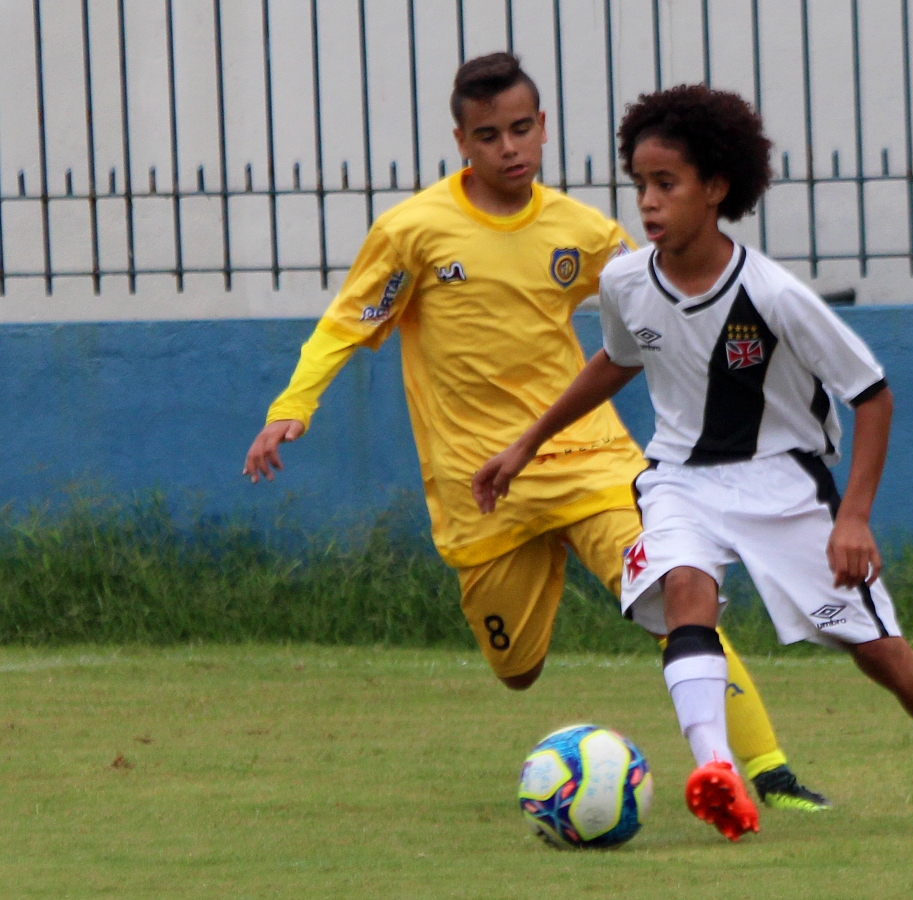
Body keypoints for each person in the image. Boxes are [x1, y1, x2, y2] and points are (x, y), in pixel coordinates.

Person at [242, 53, 826, 810]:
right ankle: (542, 558)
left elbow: (665, 309)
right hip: (481, 486)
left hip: (588, 461)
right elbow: (346, 323)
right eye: (488, 136)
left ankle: (766, 772)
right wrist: (292, 407)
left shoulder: (582, 233)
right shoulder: (413, 233)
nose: (509, 148)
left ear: (543, 127)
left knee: (676, 596)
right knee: (515, 669)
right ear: (462, 141)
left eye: (521, 129)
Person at [473, 84, 913, 842]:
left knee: (879, 652)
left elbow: (872, 396)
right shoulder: (625, 282)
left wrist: (853, 518)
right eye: (640, 184)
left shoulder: (772, 295)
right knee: (686, 591)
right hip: (679, 479)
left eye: (667, 184)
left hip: (784, 485)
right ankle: (719, 773)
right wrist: (525, 444)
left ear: (716, 188)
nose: (648, 202)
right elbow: (617, 360)